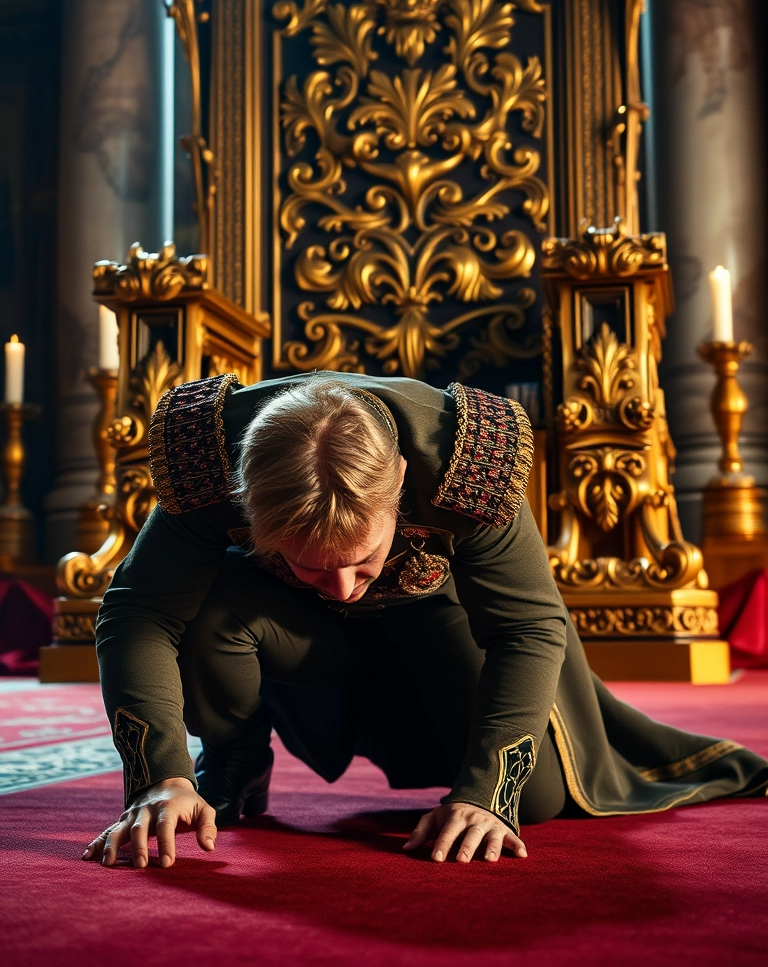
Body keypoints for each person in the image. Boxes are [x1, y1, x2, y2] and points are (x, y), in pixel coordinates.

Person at [84, 372, 768, 870]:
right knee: (201, 605)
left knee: (534, 798)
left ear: (403, 483)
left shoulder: (471, 460)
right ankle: (233, 761)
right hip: (295, 639)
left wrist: (486, 795)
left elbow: (527, 631)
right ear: (246, 503)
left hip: (443, 627)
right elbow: (138, 615)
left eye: (361, 560)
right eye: (314, 567)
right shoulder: (207, 458)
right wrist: (160, 775)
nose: (345, 589)